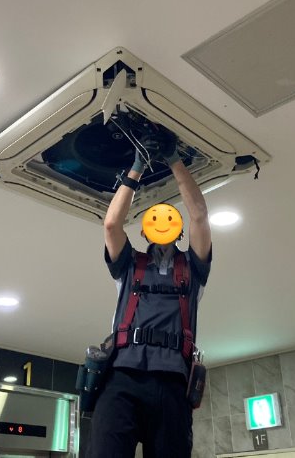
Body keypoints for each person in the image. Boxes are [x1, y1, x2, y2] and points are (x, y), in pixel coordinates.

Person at [87, 131, 212, 458]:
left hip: (173, 384)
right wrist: (137, 167)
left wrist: (174, 159)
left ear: (179, 230)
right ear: (144, 231)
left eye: (169, 220)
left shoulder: (193, 269)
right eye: (154, 221)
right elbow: (111, 225)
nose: (162, 224)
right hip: (122, 378)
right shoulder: (129, 266)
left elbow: (199, 214)